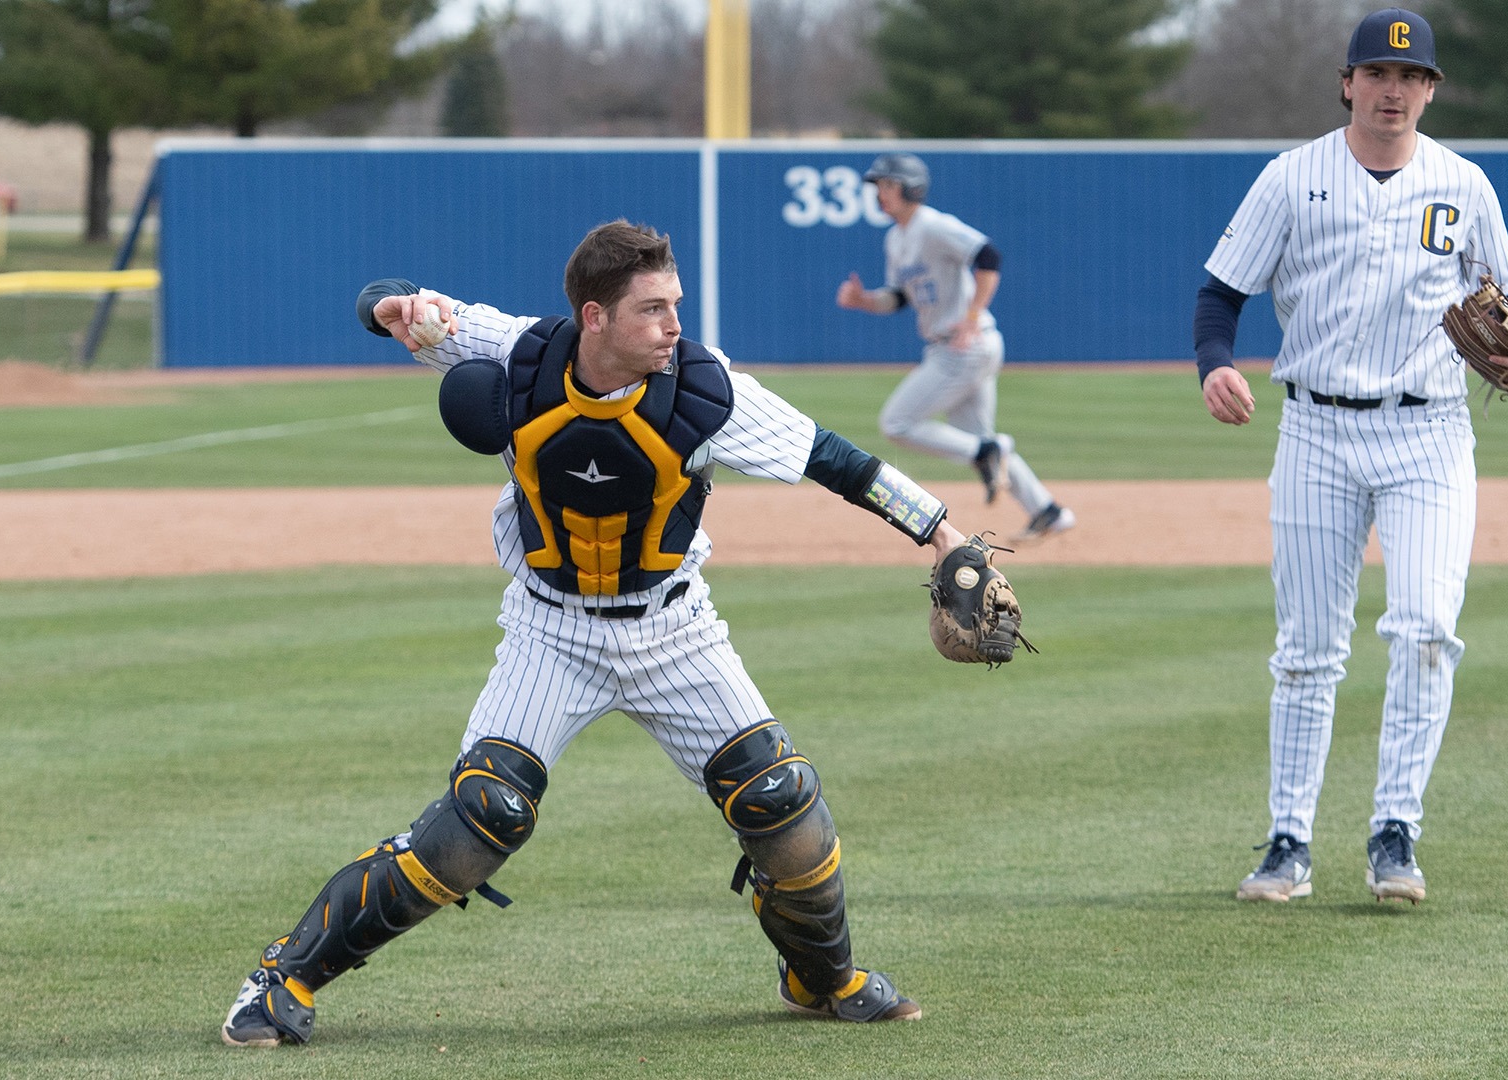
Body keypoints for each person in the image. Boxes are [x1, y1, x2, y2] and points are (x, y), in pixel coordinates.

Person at [221, 220, 971, 1046]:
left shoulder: (705, 390)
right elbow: (383, 304)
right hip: (552, 631)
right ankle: (283, 977)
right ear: (595, 317)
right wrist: (392, 310)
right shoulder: (520, 355)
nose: (674, 325)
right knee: (483, 817)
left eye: (675, 304)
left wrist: (939, 530)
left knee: (781, 803)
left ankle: (822, 979)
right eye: (652, 309)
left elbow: (839, 461)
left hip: (677, 630)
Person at [1194, 8, 1508, 905]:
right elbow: (1220, 294)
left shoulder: (1463, 184)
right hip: (1314, 430)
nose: (1394, 91)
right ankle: (1287, 841)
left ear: (1430, 90)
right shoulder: (1290, 178)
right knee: (1309, 650)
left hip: (1429, 433)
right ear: (1348, 83)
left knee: (1427, 629)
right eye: (1377, 75)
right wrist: (1215, 366)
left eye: (1412, 77)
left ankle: (1396, 832)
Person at [837, 152, 1073, 541]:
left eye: (886, 184)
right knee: (976, 435)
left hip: (965, 346)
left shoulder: (932, 225)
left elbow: (988, 255)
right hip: (955, 346)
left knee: (897, 423)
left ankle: (987, 451)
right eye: (878, 185)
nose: (879, 192)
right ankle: (1047, 510)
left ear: (908, 187)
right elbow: (899, 298)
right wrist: (865, 301)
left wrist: (972, 314)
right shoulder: (896, 238)